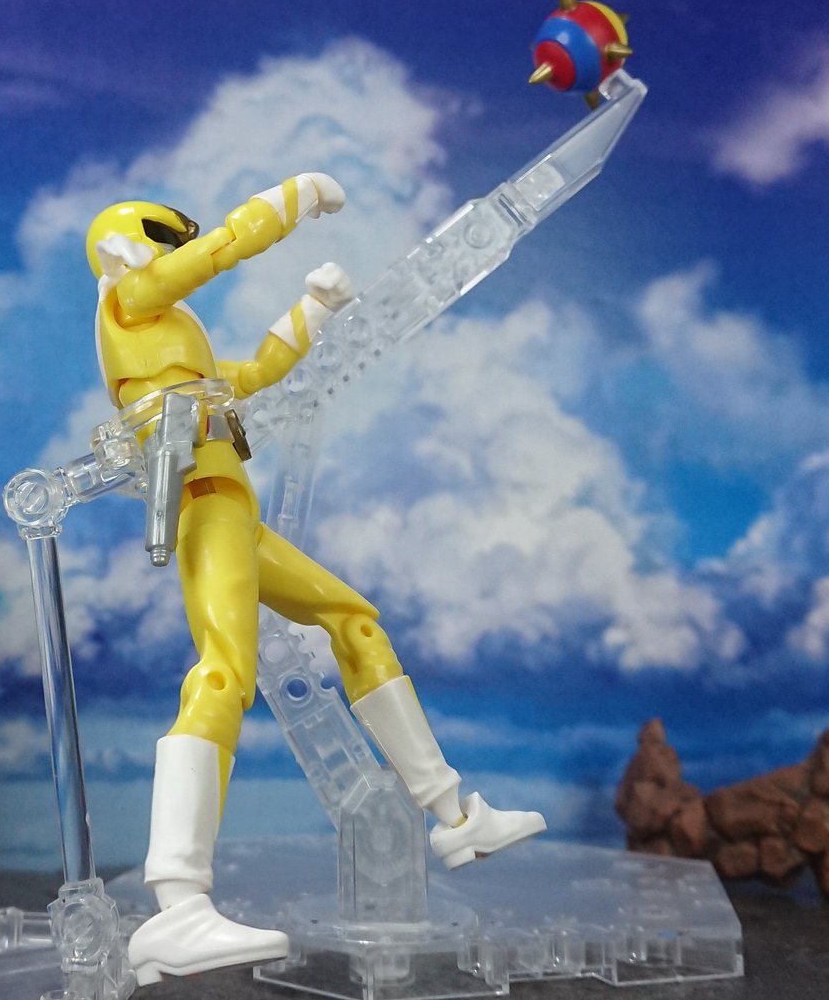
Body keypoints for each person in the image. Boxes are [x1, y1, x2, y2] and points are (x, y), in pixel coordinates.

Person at [86, 173, 545, 984]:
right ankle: (177, 905)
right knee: (223, 673)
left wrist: (314, 309)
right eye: (168, 241)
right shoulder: (128, 304)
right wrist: (293, 198)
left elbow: (257, 373)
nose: (179, 252)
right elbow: (221, 250)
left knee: (352, 619)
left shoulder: (176, 344)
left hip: (235, 509)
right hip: (204, 505)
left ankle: (454, 816)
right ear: (132, 249)